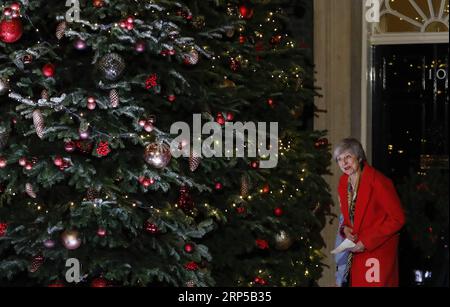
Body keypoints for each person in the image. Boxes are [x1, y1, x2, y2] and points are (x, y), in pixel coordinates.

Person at [333, 138, 405, 287]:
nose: (344, 163)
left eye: (348, 157)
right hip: (355, 253)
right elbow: (349, 218)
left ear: (359, 157)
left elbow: (397, 219)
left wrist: (366, 242)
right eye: (339, 159)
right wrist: (344, 229)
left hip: (377, 252)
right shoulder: (343, 182)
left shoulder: (379, 181)